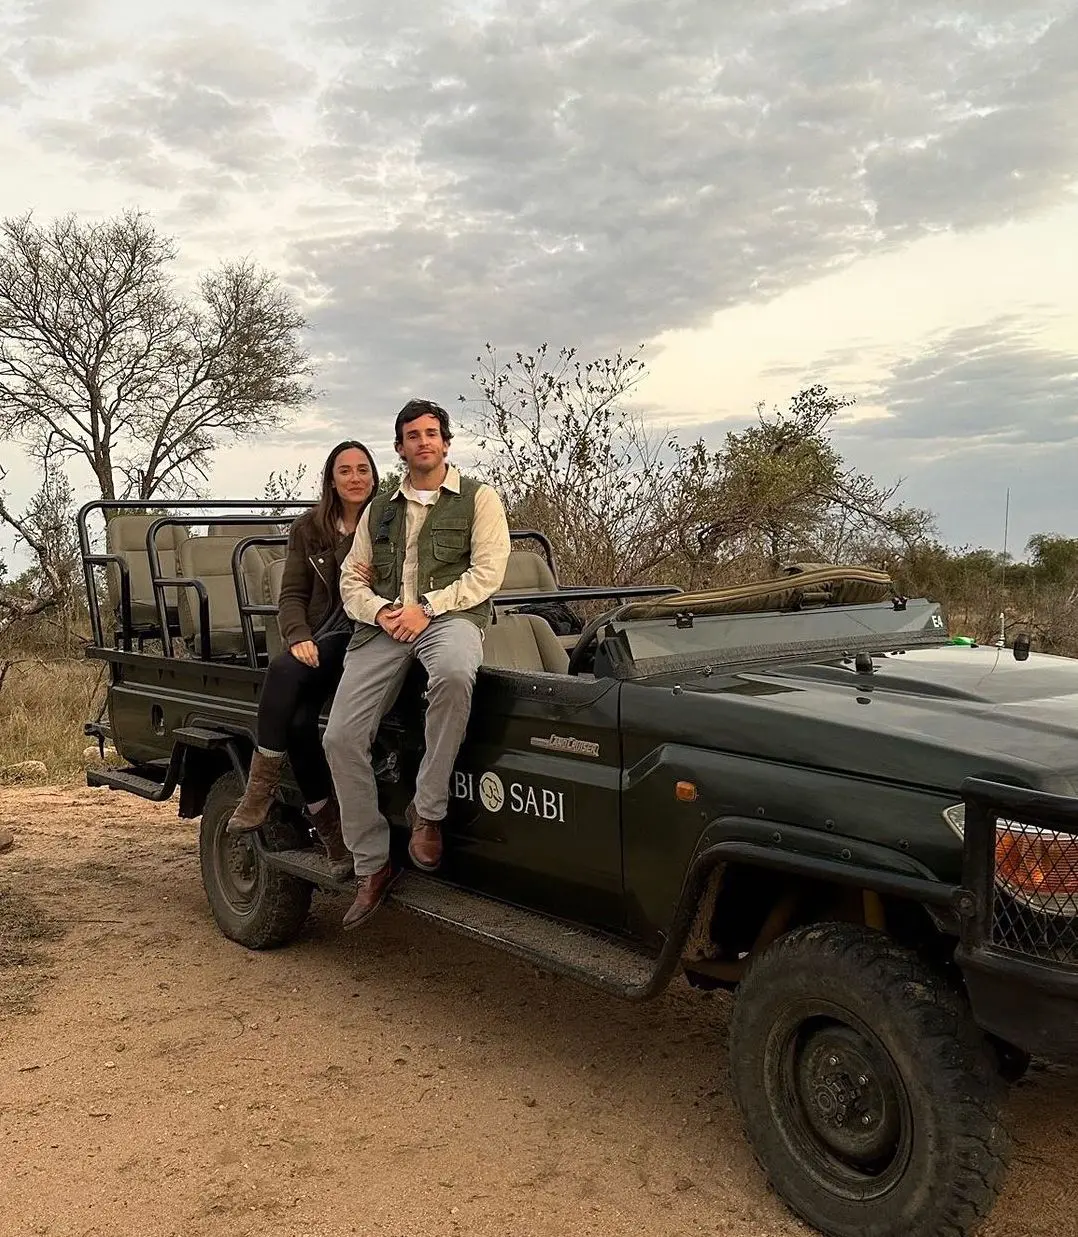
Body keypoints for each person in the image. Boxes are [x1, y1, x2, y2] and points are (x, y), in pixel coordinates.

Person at [323, 399, 510, 929]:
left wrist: (424, 608)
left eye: (432, 433)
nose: (423, 442)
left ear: (446, 442)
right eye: (412, 435)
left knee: (453, 674)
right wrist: (383, 611)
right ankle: (372, 863)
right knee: (339, 737)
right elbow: (351, 579)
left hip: (447, 617)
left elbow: (488, 572)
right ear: (400, 447)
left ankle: (427, 812)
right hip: (384, 625)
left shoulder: (479, 499)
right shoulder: (380, 507)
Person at [226, 440, 380, 880]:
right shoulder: (309, 528)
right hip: (322, 634)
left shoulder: (388, 523)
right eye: (345, 470)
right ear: (331, 478)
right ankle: (331, 835)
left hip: (365, 633)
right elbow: (292, 594)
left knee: (280, 673)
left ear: (374, 476)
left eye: (362, 470)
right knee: (297, 724)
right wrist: (297, 636)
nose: (355, 478)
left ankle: (261, 792)